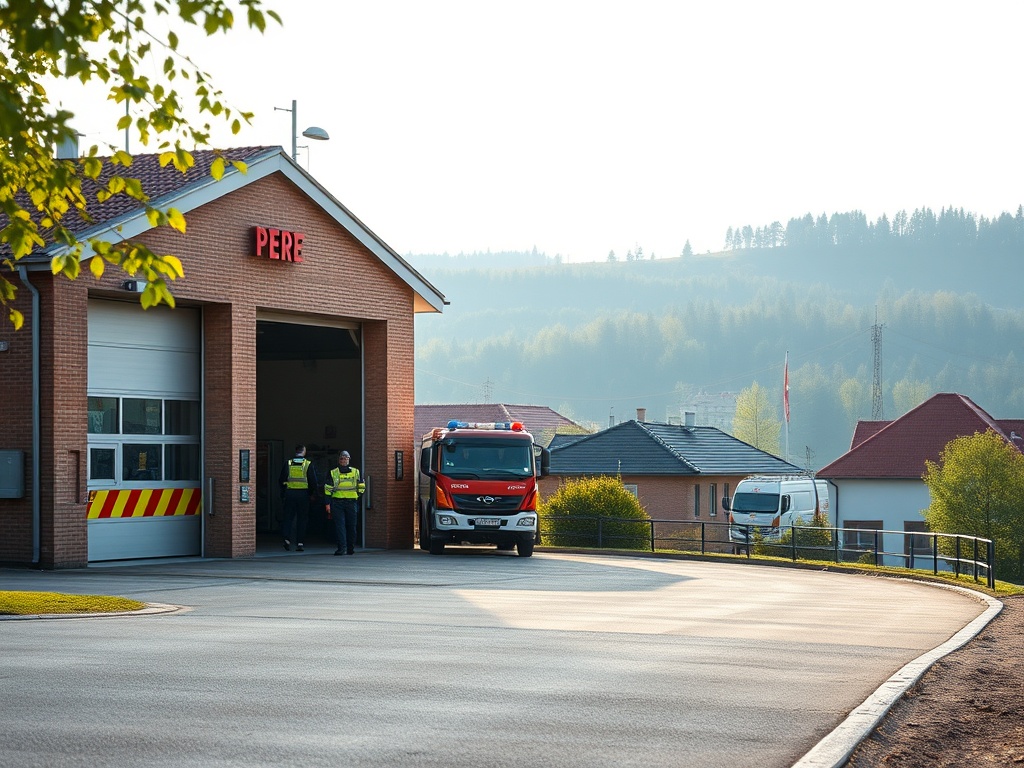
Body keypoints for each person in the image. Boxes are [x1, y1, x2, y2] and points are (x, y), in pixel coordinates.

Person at [324, 450, 365, 556]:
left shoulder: (355, 472)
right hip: (341, 502)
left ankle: (347, 548)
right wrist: (327, 504)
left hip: (347, 502)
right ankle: (345, 548)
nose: (344, 460)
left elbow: (361, 486)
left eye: (345, 458)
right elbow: (328, 489)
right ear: (339, 460)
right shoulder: (334, 472)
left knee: (348, 526)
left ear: (348, 459)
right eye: (342, 458)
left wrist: (357, 496)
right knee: (343, 526)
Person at [279, 444, 317, 552]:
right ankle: (300, 543)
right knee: (302, 519)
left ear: (296, 451)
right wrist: (311, 494)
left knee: (288, 518)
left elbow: (281, 479)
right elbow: (313, 481)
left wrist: (284, 492)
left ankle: (286, 539)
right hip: (303, 495)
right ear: (304, 452)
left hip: (290, 493)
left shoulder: (288, 463)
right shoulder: (307, 464)